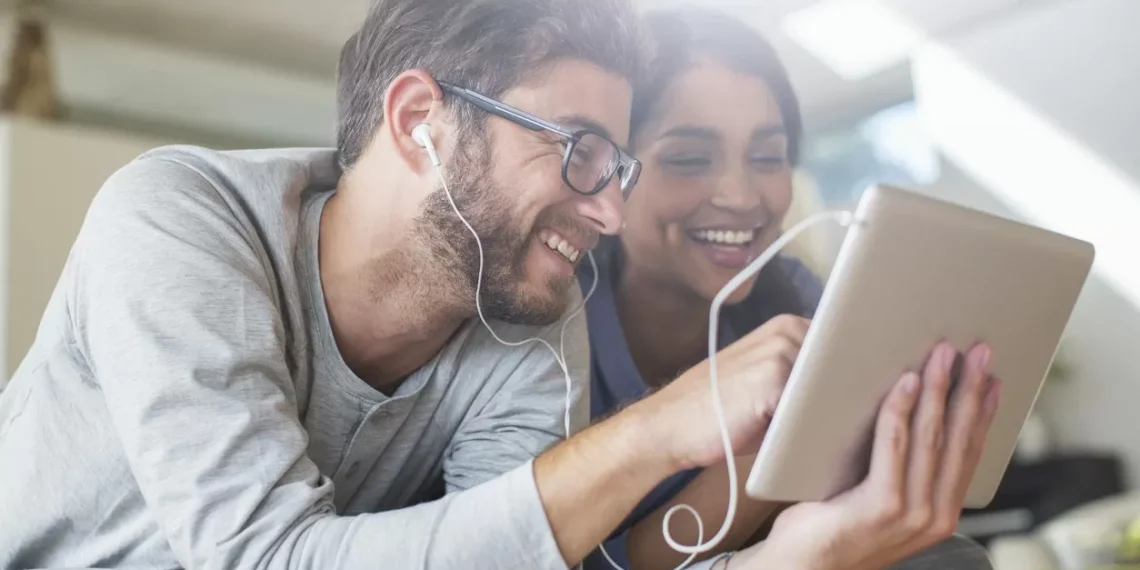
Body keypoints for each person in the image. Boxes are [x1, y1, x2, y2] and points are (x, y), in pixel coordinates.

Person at [0, 1, 998, 569]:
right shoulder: (179, 219)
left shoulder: (526, 314)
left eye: (615, 166)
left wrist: (801, 555)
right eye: (580, 152)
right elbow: (265, 560)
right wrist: (660, 429)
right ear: (421, 120)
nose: (607, 210)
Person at [580, 9, 999, 570]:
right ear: (615, 172)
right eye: (688, 158)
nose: (741, 195)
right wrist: (787, 437)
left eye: (767, 157)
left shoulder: (798, 298)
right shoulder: (557, 330)